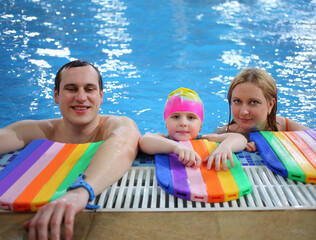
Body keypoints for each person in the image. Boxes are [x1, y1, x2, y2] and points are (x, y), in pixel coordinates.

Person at [0, 60, 140, 240]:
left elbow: (122, 146)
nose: (81, 97)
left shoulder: (118, 124)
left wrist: (80, 193)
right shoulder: (39, 131)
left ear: (101, 96)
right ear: (56, 95)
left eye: (89, 89)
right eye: (72, 89)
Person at [216, 67, 316, 152]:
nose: (243, 111)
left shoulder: (284, 125)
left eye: (253, 102)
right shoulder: (225, 132)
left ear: (270, 105)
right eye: (237, 101)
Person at [139, 87, 247, 171]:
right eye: (175, 117)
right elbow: (144, 141)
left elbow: (239, 138)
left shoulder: (206, 138)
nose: (183, 123)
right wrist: (176, 147)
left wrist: (226, 146)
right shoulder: (165, 140)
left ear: (200, 126)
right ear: (166, 123)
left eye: (191, 117)